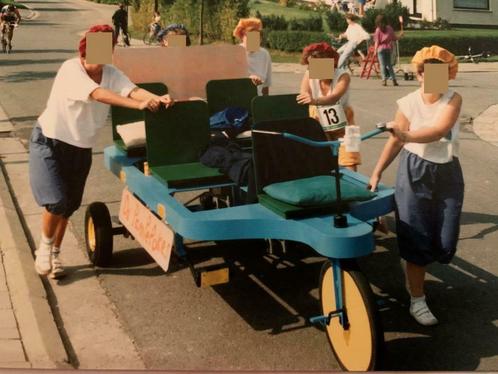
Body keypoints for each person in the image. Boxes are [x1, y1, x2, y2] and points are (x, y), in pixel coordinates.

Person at [29, 25, 174, 279]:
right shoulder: (71, 69)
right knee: (56, 200)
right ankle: (44, 248)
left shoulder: (111, 72)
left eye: (109, 46)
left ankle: (55, 253)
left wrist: (157, 98)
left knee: (69, 205)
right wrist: (139, 104)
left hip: (80, 147)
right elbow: (99, 94)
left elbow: (132, 89)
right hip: (50, 141)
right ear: (85, 49)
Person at [368, 46, 463, 326]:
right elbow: (396, 140)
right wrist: (376, 172)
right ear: (419, 74)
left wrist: (406, 133)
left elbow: (438, 130)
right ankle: (417, 299)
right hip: (415, 170)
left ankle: (418, 271)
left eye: (441, 72)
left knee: (445, 241)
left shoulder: (453, 99)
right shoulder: (408, 102)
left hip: (447, 173)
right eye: (427, 72)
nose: (434, 78)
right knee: (416, 237)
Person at [296, 42, 360, 171]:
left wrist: (314, 100)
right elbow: (303, 93)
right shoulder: (309, 74)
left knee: (351, 158)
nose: (313, 69)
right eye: (311, 65)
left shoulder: (344, 76)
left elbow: (334, 97)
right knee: (321, 157)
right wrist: (307, 97)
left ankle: (354, 187)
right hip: (317, 119)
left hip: (346, 120)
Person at [233, 18, 272, 96]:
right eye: (250, 36)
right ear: (242, 36)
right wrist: (248, 80)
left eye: (257, 36)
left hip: (256, 100)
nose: (254, 39)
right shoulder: (234, 53)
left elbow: (265, 86)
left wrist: (265, 104)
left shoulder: (264, 54)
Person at [374, 14, 403, 86]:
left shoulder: (378, 30)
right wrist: (401, 35)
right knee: (389, 65)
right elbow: (394, 38)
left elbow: (377, 41)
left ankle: (384, 80)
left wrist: (375, 50)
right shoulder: (389, 28)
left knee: (382, 65)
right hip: (388, 48)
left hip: (380, 49)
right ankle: (394, 80)